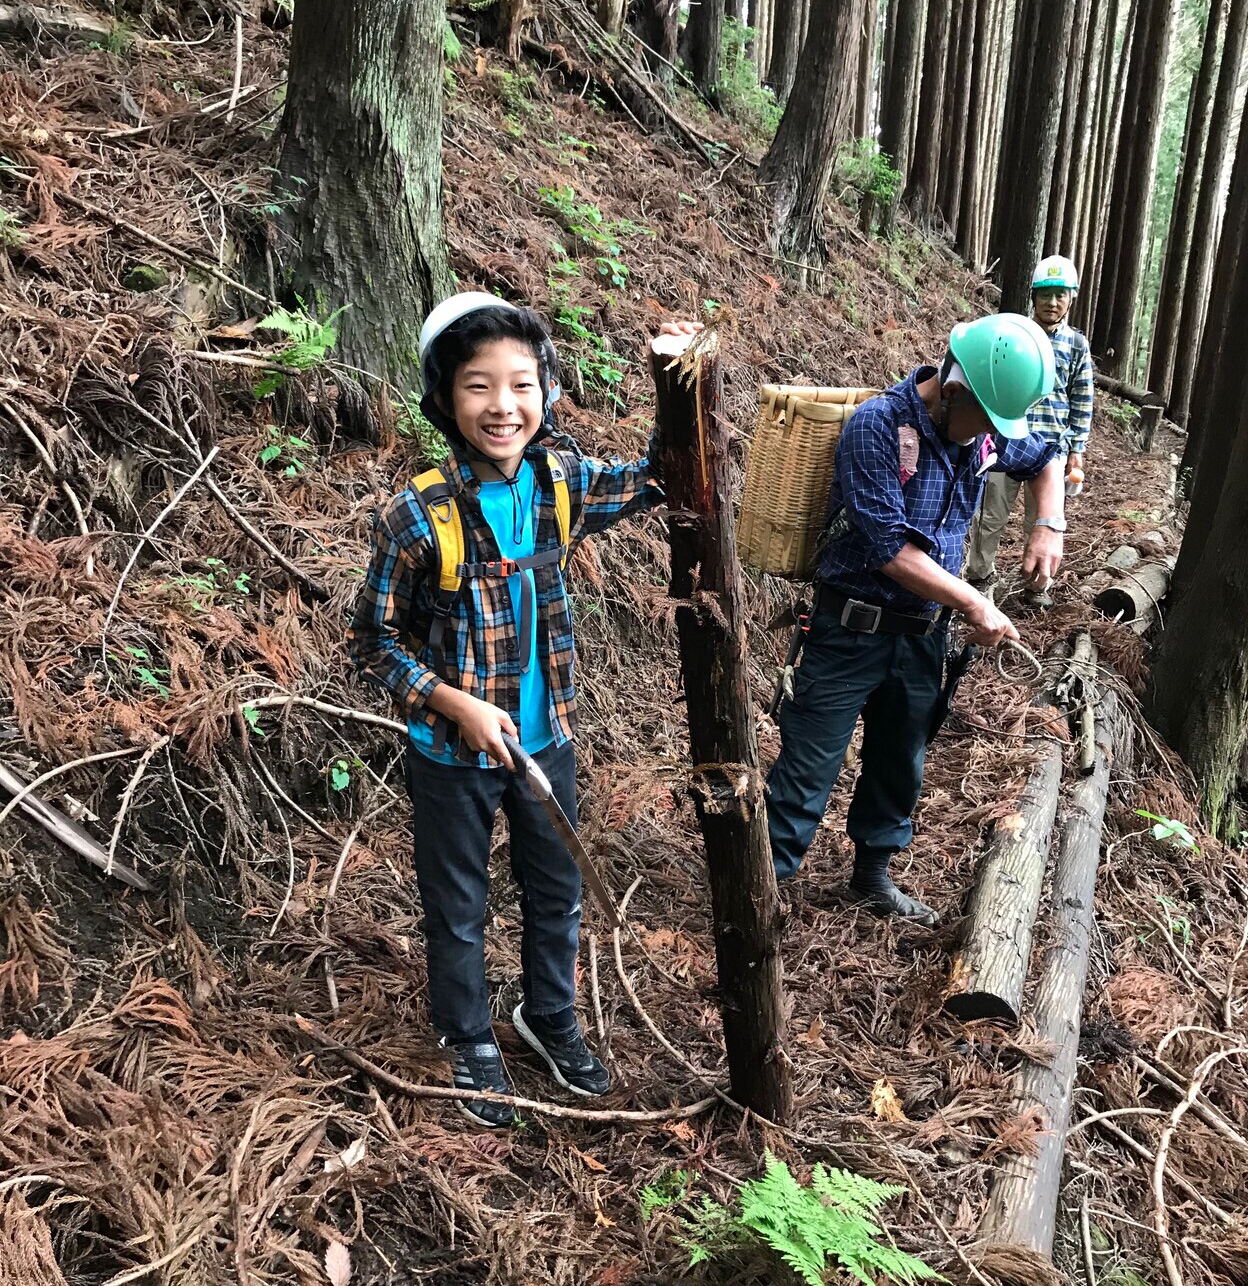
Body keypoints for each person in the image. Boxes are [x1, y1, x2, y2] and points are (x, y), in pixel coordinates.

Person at [350, 293, 697, 1127]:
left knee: (556, 890)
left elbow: (655, 476)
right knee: (459, 906)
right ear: (444, 399)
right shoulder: (416, 516)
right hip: (452, 755)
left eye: (522, 385)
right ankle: (467, 1035)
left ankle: (548, 1017)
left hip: (549, 741)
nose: (503, 406)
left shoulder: (560, 481)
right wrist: (447, 701)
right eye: (478, 386)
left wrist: (677, 380)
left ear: (545, 390)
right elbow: (370, 639)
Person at [765, 312, 1066, 926]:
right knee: (807, 767)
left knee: (901, 759)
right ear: (953, 389)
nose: (992, 438)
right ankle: (761, 888)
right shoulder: (876, 427)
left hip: (923, 636)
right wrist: (974, 601)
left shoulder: (984, 433)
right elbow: (891, 551)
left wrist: (1047, 525)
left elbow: (1045, 457)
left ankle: (873, 874)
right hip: (849, 630)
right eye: (985, 423)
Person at [966, 255, 1094, 605]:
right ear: (1032, 295)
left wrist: (1076, 448)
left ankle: (1037, 586)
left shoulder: (1077, 345)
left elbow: (1082, 399)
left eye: (1060, 295)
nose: (1052, 302)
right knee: (989, 514)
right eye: (1044, 294)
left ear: (1072, 298)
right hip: (1005, 442)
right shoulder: (1014, 333)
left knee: (1042, 519)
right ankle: (979, 577)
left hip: (1050, 449)